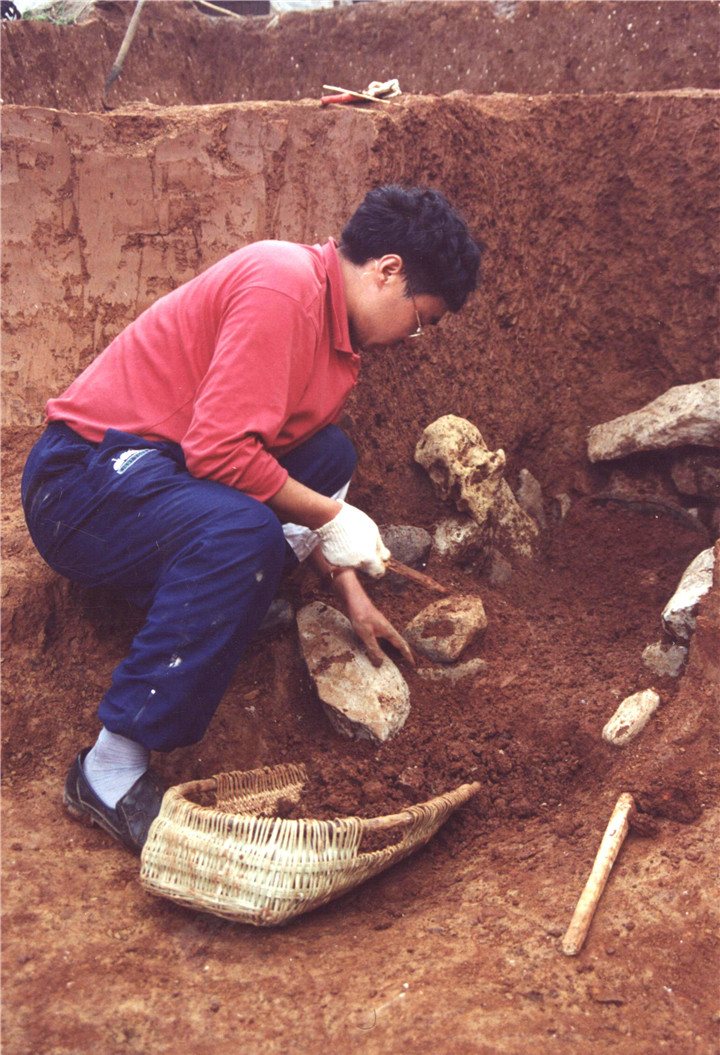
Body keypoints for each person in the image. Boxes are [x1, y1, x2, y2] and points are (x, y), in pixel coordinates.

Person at [21, 184, 482, 853]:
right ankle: (108, 769)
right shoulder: (283, 286)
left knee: (327, 455)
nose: (413, 338)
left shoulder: (332, 336)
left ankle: (209, 592)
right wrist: (335, 513)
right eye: (419, 319)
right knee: (244, 534)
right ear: (388, 270)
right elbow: (217, 451)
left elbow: (275, 463)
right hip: (83, 484)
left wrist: (350, 591)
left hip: (154, 475)